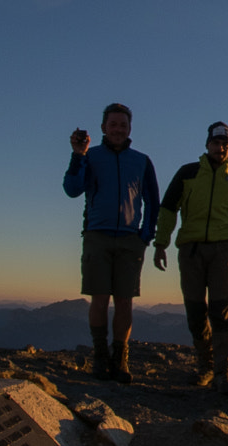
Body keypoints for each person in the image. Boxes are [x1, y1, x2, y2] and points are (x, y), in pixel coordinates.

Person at [153, 122, 228, 391]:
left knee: (221, 313)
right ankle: (206, 367)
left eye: (225, 144)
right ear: (207, 144)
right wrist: (160, 243)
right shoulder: (187, 174)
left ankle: (224, 374)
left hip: (223, 252)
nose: (220, 148)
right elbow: (167, 210)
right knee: (196, 312)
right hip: (191, 250)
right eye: (216, 143)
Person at [62, 103, 160, 381]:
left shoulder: (141, 161)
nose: (118, 129)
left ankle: (121, 358)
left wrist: (145, 235)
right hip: (97, 235)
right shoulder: (90, 157)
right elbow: (72, 189)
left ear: (130, 129)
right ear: (104, 127)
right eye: (113, 124)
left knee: (125, 301)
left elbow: (153, 200)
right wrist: (78, 155)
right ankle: (100, 355)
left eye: (123, 125)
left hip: (130, 239)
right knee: (100, 298)